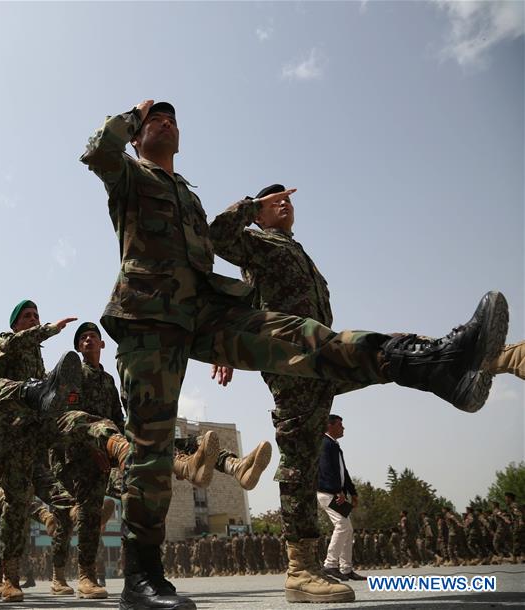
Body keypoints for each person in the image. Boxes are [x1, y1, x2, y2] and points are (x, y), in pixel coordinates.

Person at [80, 100, 508, 610]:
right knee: (150, 453)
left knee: (307, 336)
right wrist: (135, 111)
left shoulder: (188, 198)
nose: (165, 121)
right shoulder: (127, 174)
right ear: (136, 135)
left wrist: (227, 333)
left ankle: (438, 363)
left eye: (172, 117)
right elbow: (95, 150)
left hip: (206, 314)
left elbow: (209, 259)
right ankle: (143, 577)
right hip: (148, 321)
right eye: (156, 118)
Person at [317, 415, 365, 583]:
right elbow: (327, 469)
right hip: (329, 493)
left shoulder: (334, 445)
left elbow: (343, 471)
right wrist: (338, 490)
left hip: (335, 492)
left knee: (348, 529)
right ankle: (330, 565)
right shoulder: (325, 444)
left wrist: (353, 492)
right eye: (340, 425)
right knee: (342, 526)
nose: (343, 428)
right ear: (329, 426)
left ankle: (346, 569)